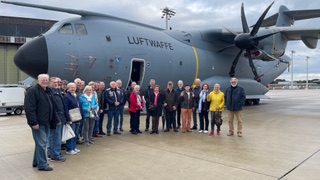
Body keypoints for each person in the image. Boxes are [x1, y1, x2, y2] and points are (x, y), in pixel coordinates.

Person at [24, 74, 54, 171]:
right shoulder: (32, 91)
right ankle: (42, 165)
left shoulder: (48, 91)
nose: (45, 81)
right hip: (38, 123)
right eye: (43, 80)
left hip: (46, 122)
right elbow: (29, 109)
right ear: (38, 81)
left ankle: (36, 161)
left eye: (46, 80)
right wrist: (33, 123)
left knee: (40, 143)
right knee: (42, 143)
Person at [47, 77, 67, 162]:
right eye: (54, 82)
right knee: (56, 137)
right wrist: (56, 119)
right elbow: (51, 107)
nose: (57, 84)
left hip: (61, 116)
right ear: (49, 82)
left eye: (58, 82)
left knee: (55, 137)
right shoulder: (49, 92)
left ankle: (52, 153)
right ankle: (55, 155)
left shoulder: (57, 91)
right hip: (56, 118)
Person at [63, 83, 83, 155]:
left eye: (74, 87)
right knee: (71, 134)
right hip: (71, 118)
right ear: (68, 88)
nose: (73, 89)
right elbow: (65, 108)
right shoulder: (66, 96)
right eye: (71, 87)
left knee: (76, 133)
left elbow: (80, 106)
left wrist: (82, 117)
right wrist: (68, 119)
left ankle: (74, 147)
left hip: (77, 117)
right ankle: (69, 149)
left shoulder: (76, 96)